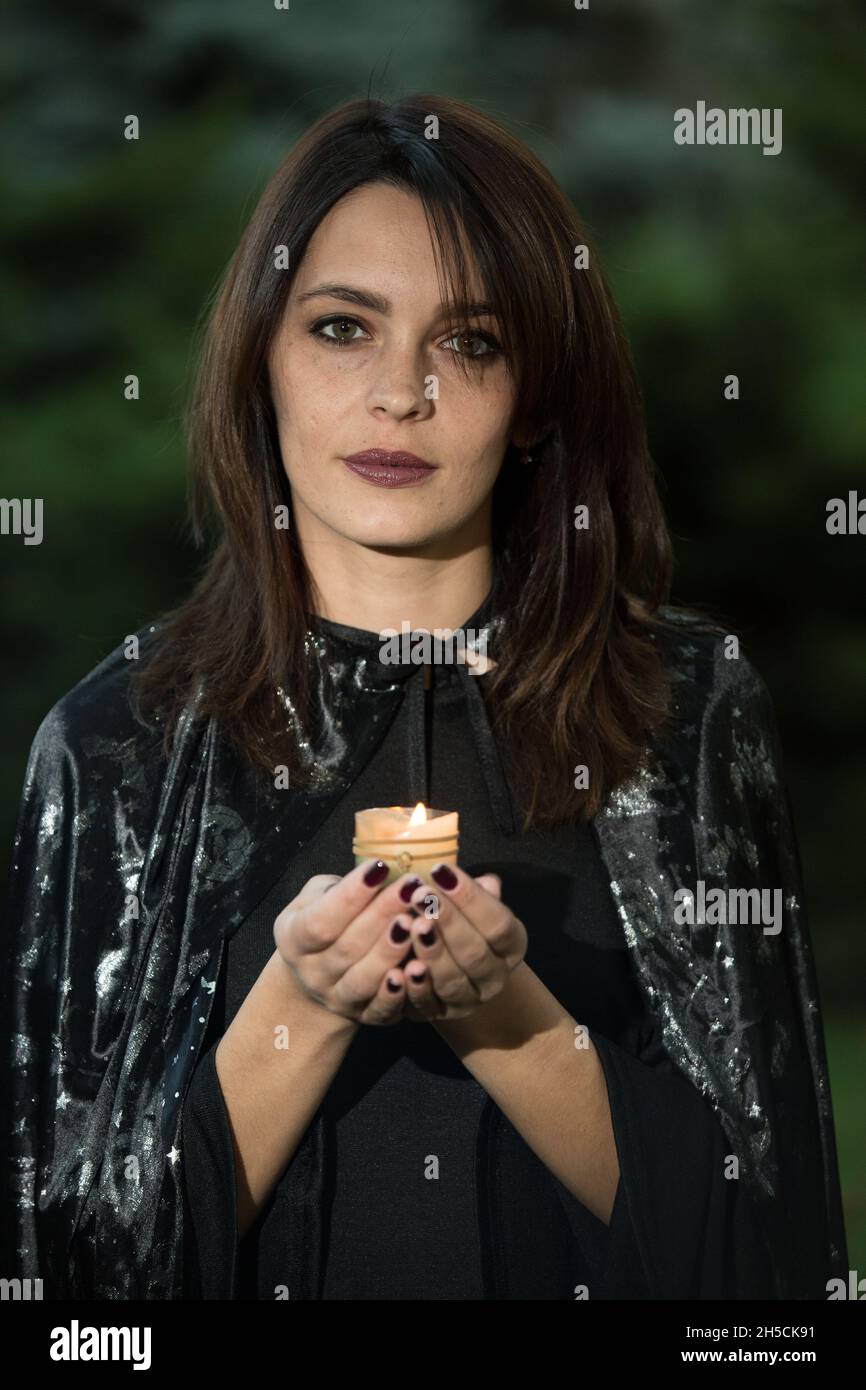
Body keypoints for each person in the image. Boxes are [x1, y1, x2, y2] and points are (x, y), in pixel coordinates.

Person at [1, 93, 847, 1300]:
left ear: (538, 397)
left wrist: (506, 1018)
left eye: (472, 341)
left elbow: (761, 1269)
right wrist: (299, 1008)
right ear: (262, 359)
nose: (401, 393)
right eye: (344, 328)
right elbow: (76, 1299)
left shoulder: (680, 710)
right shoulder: (118, 745)